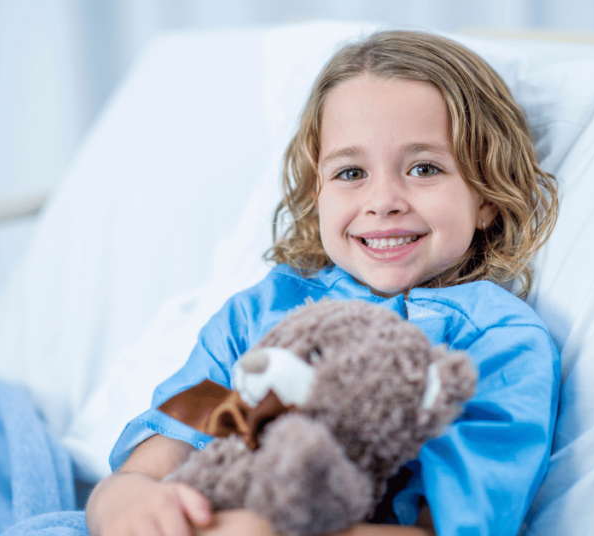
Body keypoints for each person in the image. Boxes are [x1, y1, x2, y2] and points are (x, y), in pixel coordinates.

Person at [86, 29, 560, 536]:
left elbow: (452, 526)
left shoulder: (499, 340)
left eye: (423, 168)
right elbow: (159, 456)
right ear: (317, 194)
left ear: (486, 193)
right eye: (351, 173)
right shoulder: (261, 312)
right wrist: (123, 500)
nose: (383, 200)